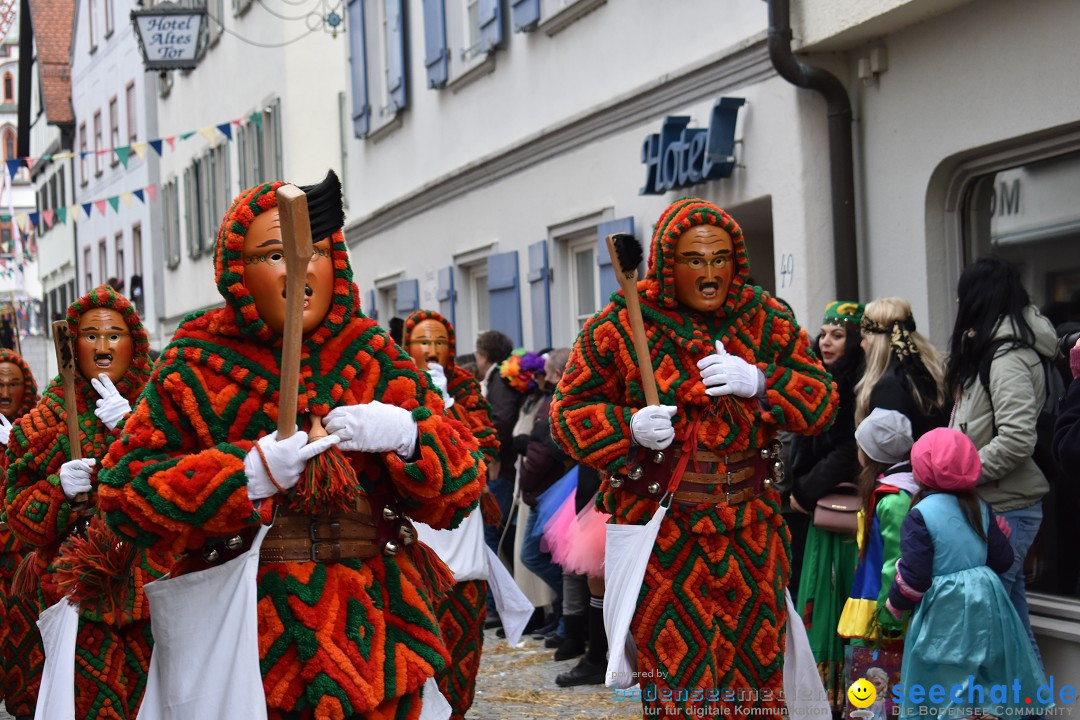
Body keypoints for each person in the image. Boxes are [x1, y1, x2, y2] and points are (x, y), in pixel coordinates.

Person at [98, 173, 485, 719]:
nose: (299, 270)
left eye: (317, 251)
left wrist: (409, 435)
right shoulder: (194, 362)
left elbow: (464, 484)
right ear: (237, 270)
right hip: (242, 634)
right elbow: (122, 496)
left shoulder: (373, 353)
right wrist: (242, 475)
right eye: (274, 253)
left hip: (376, 629)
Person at [550, 198, 838, 716]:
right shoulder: (621, 322)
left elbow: (821, 400)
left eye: (721, 258)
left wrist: (763, 383)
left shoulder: (767, 317)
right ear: (666, 261)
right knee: (679, 685)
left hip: (753, 532)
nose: (710, 273)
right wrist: (629, 429)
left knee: (757, 678)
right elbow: (567, 414)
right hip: (666, 534)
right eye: (695, 260)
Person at [5, 285, 169, 719]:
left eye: (114, 335)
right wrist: (57, 490)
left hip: (153, 591)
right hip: (74, 594)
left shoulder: (162, 406)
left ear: (134, 342)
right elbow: (18, 513)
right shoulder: (41, 421)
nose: (102, 346)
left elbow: (186, 482)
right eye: (90, 335)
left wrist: (133, 426)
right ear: (71, 343)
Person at [886, 428, 1049, 718]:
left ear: (921, 472)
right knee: (981, 678)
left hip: (945, 610)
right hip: (986, 602)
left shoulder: (920, 514)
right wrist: (998, 536)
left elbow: (916, 576)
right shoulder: (979, 507)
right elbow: (1003, 560)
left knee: (944, 678)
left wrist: (896, 603)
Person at [944, 257, 1056, 663]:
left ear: (980, 297)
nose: (957, 300)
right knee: (1009, 621)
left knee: (990, 626)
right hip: (994, 504)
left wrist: (956, 474)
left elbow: (1016, 439)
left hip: (1009, 507)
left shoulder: (1006, 357)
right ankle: (1029, 708)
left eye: (963, 292)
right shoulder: (989, 350)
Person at [402, 309, 499, 720]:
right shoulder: (395, 384)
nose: (433, 351)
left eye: (440, 342)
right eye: (424, 342)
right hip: (417, 537)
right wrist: (428, 406)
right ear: (408, 346)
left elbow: (485, 447)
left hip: (464, 536)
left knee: (463, 651)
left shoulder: (465, 388)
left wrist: (451, 406)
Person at [785, 301, 863, 711]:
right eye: (825, 333)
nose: (827, 341)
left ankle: (845, 694)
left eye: (838, 334)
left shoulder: (853, 384)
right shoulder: (819, 377)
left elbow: (848, 448)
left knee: (836, 599)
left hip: (835, 510)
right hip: (808, 505)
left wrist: (807, 489)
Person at [837, 408, 916, 643]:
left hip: (884, 616)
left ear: (868, 454)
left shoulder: (894, 500)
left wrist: (889, 617)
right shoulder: (887, 492)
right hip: (873, 599)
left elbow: (896, 561)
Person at [0, 348, 38, 719]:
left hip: (26, 565)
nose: (6, 391)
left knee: (28, 656)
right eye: (0, 385)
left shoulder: (38, 428)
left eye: (14, 384)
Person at [856, 297, 947, 438]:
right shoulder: (938, 371)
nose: (862, 344)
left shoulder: (888, 387)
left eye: (864, 337)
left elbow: (889, 452)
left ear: (877, 342)